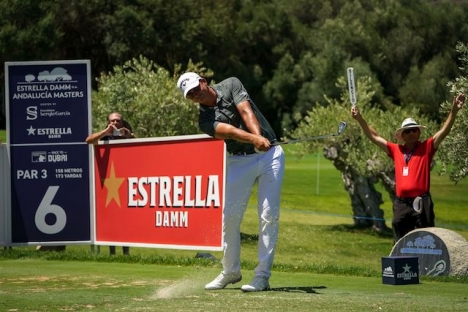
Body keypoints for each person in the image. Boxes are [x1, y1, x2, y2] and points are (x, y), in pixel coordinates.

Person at [177, 72, 285, 292]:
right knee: (229, 218)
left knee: (268, 216)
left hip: (270, 155)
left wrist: (258, 139)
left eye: (196, 88)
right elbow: (231, 132)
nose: (195, 94)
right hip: (239, 161)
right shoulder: (204, 121)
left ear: (203, 81)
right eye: (190, 95)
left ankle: (262, 276)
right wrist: (254, 139)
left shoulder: (231, 84)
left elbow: (246, 111)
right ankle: (231, 272)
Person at [351, 93, 465, 244]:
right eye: (407, 131)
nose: (411, 133)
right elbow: (374, 137)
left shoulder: (427, 147)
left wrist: (454, 111)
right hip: (402, 203)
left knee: (426, 236)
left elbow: (443, 131)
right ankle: (400, 265)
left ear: (418, 132)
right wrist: (359, 118)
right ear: (402, 136)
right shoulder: (395, 150)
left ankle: (427, 266)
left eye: (414, 130)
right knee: (399, 232)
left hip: (421, 200)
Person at [86, 112, 134, 255]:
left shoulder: (127, 136)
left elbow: (141, 147)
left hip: (125, 183)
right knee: (111, 219)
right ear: (108, 122)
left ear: (122, 122)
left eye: (118, 121)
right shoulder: (104, 136)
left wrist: (129, 135)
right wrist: (106, 131)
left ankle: (126, 252)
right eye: (112, 121)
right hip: (108, 183)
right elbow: (88, 140)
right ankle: (112, 252)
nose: (115, 123)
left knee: (125, 219)